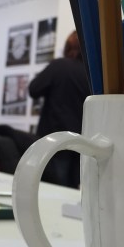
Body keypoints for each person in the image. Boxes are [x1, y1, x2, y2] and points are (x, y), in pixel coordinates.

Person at [28, 31, 90, 188]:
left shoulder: (59, 66)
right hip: (80, 142)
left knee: (50, 187)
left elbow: (33, 89)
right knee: (70, 190)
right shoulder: (92, 74)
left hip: (54, 140)